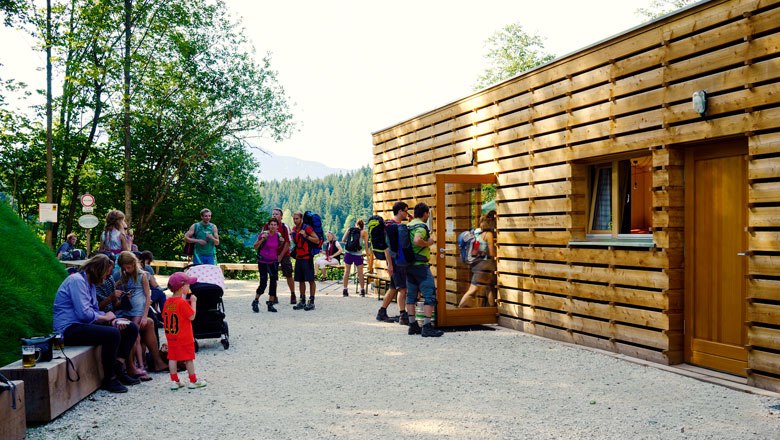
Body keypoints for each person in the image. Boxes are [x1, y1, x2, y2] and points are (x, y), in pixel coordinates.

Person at [52, 254, 141, 393]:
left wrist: (113, 319)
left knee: (131, 328)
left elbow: (93, 310)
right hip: (69, 328)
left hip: (82, 324)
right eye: (106, 274)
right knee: (112, 334)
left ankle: (118, 367)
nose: (107, 278)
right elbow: (84, 314)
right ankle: (109, 378)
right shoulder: (77, 281)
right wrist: (106, 318)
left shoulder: (90, 284)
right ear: (99, 271)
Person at [95, 270, 167, 374]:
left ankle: (156, 361)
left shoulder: (110, 279)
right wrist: (111, 298)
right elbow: (96, 309)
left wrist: (125, 299)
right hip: (107, 317)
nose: (109, 274)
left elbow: (116, 305)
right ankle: (133, 366)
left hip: (117, 314)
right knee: (132, 329)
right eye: (107, 271)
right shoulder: (102, 281)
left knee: (149, 322)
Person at [162, 272, 207, 390]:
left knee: (173, 358)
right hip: (184, 336)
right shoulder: (182, 302)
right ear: (182, 287)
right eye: (188, 285)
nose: (190, 287)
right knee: (188, 359)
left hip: (171, 335)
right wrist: (194, 302)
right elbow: (192, 316)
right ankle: (193, 381)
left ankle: (174, 381)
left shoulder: (167, 302)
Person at [405, 203, 444, 337]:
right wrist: (428, 243)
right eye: (428, 213)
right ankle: (427, 327)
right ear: (425, 213)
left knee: (411, 295)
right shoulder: (421, 226)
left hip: (408, 266)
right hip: (420, 266)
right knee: (430, 294)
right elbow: (417, 240)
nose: (428, 216)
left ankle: (412, 325)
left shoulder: (409, 225)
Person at [116, 251, 153, 380]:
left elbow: (148, 295)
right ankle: (133, 364)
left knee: (135, 336)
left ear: (133, 263)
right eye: (124, 268)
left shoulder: (142, 275)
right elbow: (118, 287)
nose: (127, 270)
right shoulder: (124, 276)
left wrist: (145, 315)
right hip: (127, 310)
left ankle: (140, 365)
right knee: (131, 335)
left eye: (129, 267)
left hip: (138, 309)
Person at [376, 202, 412, 324]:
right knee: (402, 289)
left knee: (393, 288)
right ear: (400, 211)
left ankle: (382, 312)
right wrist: (390, 264)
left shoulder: (397, 225)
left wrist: (411, 221)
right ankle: (403, 315)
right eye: (406, 211)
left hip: (397, 261)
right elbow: (387, 247)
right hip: (396, 262)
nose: (407, 213)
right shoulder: (391, 226)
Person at [458, 214, 497, 308]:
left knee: (489, 288)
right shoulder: (488, 235)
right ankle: (459, 309)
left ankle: (491, 311)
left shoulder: (476, 233)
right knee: (472, 290)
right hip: (485, 266)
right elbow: (491, 253)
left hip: (476, 264)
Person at [252, 217, 284, 313]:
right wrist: (262, 240)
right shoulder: (264, 234)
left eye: (275, 225)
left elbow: (277, 247)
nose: (273, 226)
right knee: (263, 282)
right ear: (268, 226)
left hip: (273, 261)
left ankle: (270, 303)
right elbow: (255, 246)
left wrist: (281, 242)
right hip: (263, 261)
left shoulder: (278, 235)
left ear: (277, 226)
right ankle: (256, 300)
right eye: (271, 225)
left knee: (273, 282)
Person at [265, 208, 296, 304]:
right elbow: (264, 239)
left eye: (277, 214)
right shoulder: (267, 225)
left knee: (288, 274)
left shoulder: (284, 226)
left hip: (284, 253)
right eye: (273, 214)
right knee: (272, 275)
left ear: (281, 216)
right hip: (271, 254)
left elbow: (288, 242)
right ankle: (274, 296)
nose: (274, 215)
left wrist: (281, 256)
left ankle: (293, 294)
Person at [291, 211, 320, 311]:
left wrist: (306, 235)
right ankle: (302, 300)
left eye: (297, 219)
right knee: (301, 280)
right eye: (294, 219)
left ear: (301, 219)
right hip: (299, 258)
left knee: (311, 280)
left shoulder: (307, 228)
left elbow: (316, 240)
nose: (295, 221)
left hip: (307, 258)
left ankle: (311, 301)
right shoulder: (294, 229)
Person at [341, 219, 367, 297]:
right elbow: (365, 245)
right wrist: (367, 254)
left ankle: (345, 290)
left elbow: (343, 240)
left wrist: (350, 243)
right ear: (363, 225)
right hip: (358, 254)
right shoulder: (364, 232)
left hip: (348, 253)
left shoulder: (350, 229)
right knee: (360, 273)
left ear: (356, 224)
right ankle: (362, 290)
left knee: (347, 272)